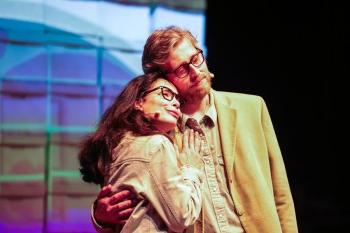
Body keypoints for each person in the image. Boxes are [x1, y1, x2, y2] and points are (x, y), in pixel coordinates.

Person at [92, 26, 298, 233]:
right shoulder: (151, 136)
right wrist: (100, 218)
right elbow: (125, 205)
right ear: (162, 79)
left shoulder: (252, 108)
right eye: (182, 69)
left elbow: (281, 196)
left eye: (196, 58)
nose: (195, 71)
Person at [78, 73, 205, 232]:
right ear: (138, 102)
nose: (176, 103)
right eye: (166, 94)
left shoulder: (117, 145)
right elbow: (182, 217)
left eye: (178, 99)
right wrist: (191, 169)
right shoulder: (155, 145)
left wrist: (99, 219)